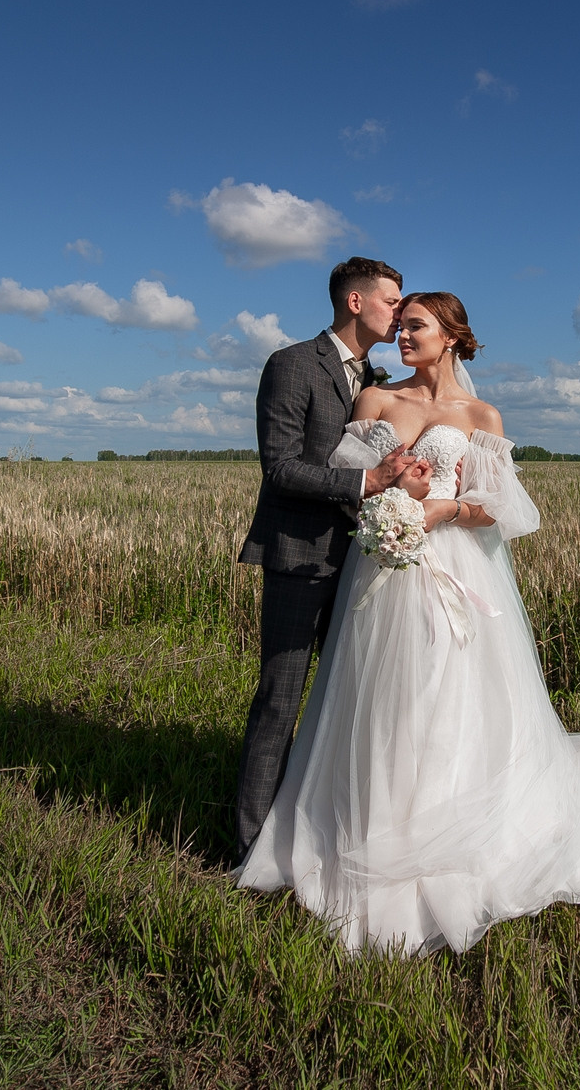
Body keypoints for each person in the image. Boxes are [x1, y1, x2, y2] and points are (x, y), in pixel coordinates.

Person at [234, 291, 580, 956]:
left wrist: (443, 512)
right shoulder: (376, 401)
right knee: (379, 699)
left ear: (453, 336)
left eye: (415, 327)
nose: (402, 337)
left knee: (444, 695)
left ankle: (444, 822)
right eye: (399, 327)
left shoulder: (481, 414)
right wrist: (391, 486)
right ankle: (368, 822)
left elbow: (495, 505)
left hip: (455, 565)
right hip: (381, 571)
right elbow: (349, 478)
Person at [233, 256, 422, 863]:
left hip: (365, 562)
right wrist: (367, 483)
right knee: (280, 702)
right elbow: (280, 467)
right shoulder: (292, 364)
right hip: (300, 558)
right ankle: (248, 848)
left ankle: (325, 833)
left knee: (350, 703)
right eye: (393, 302)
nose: (400, 313)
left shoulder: (377, 377)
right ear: (357, 302)